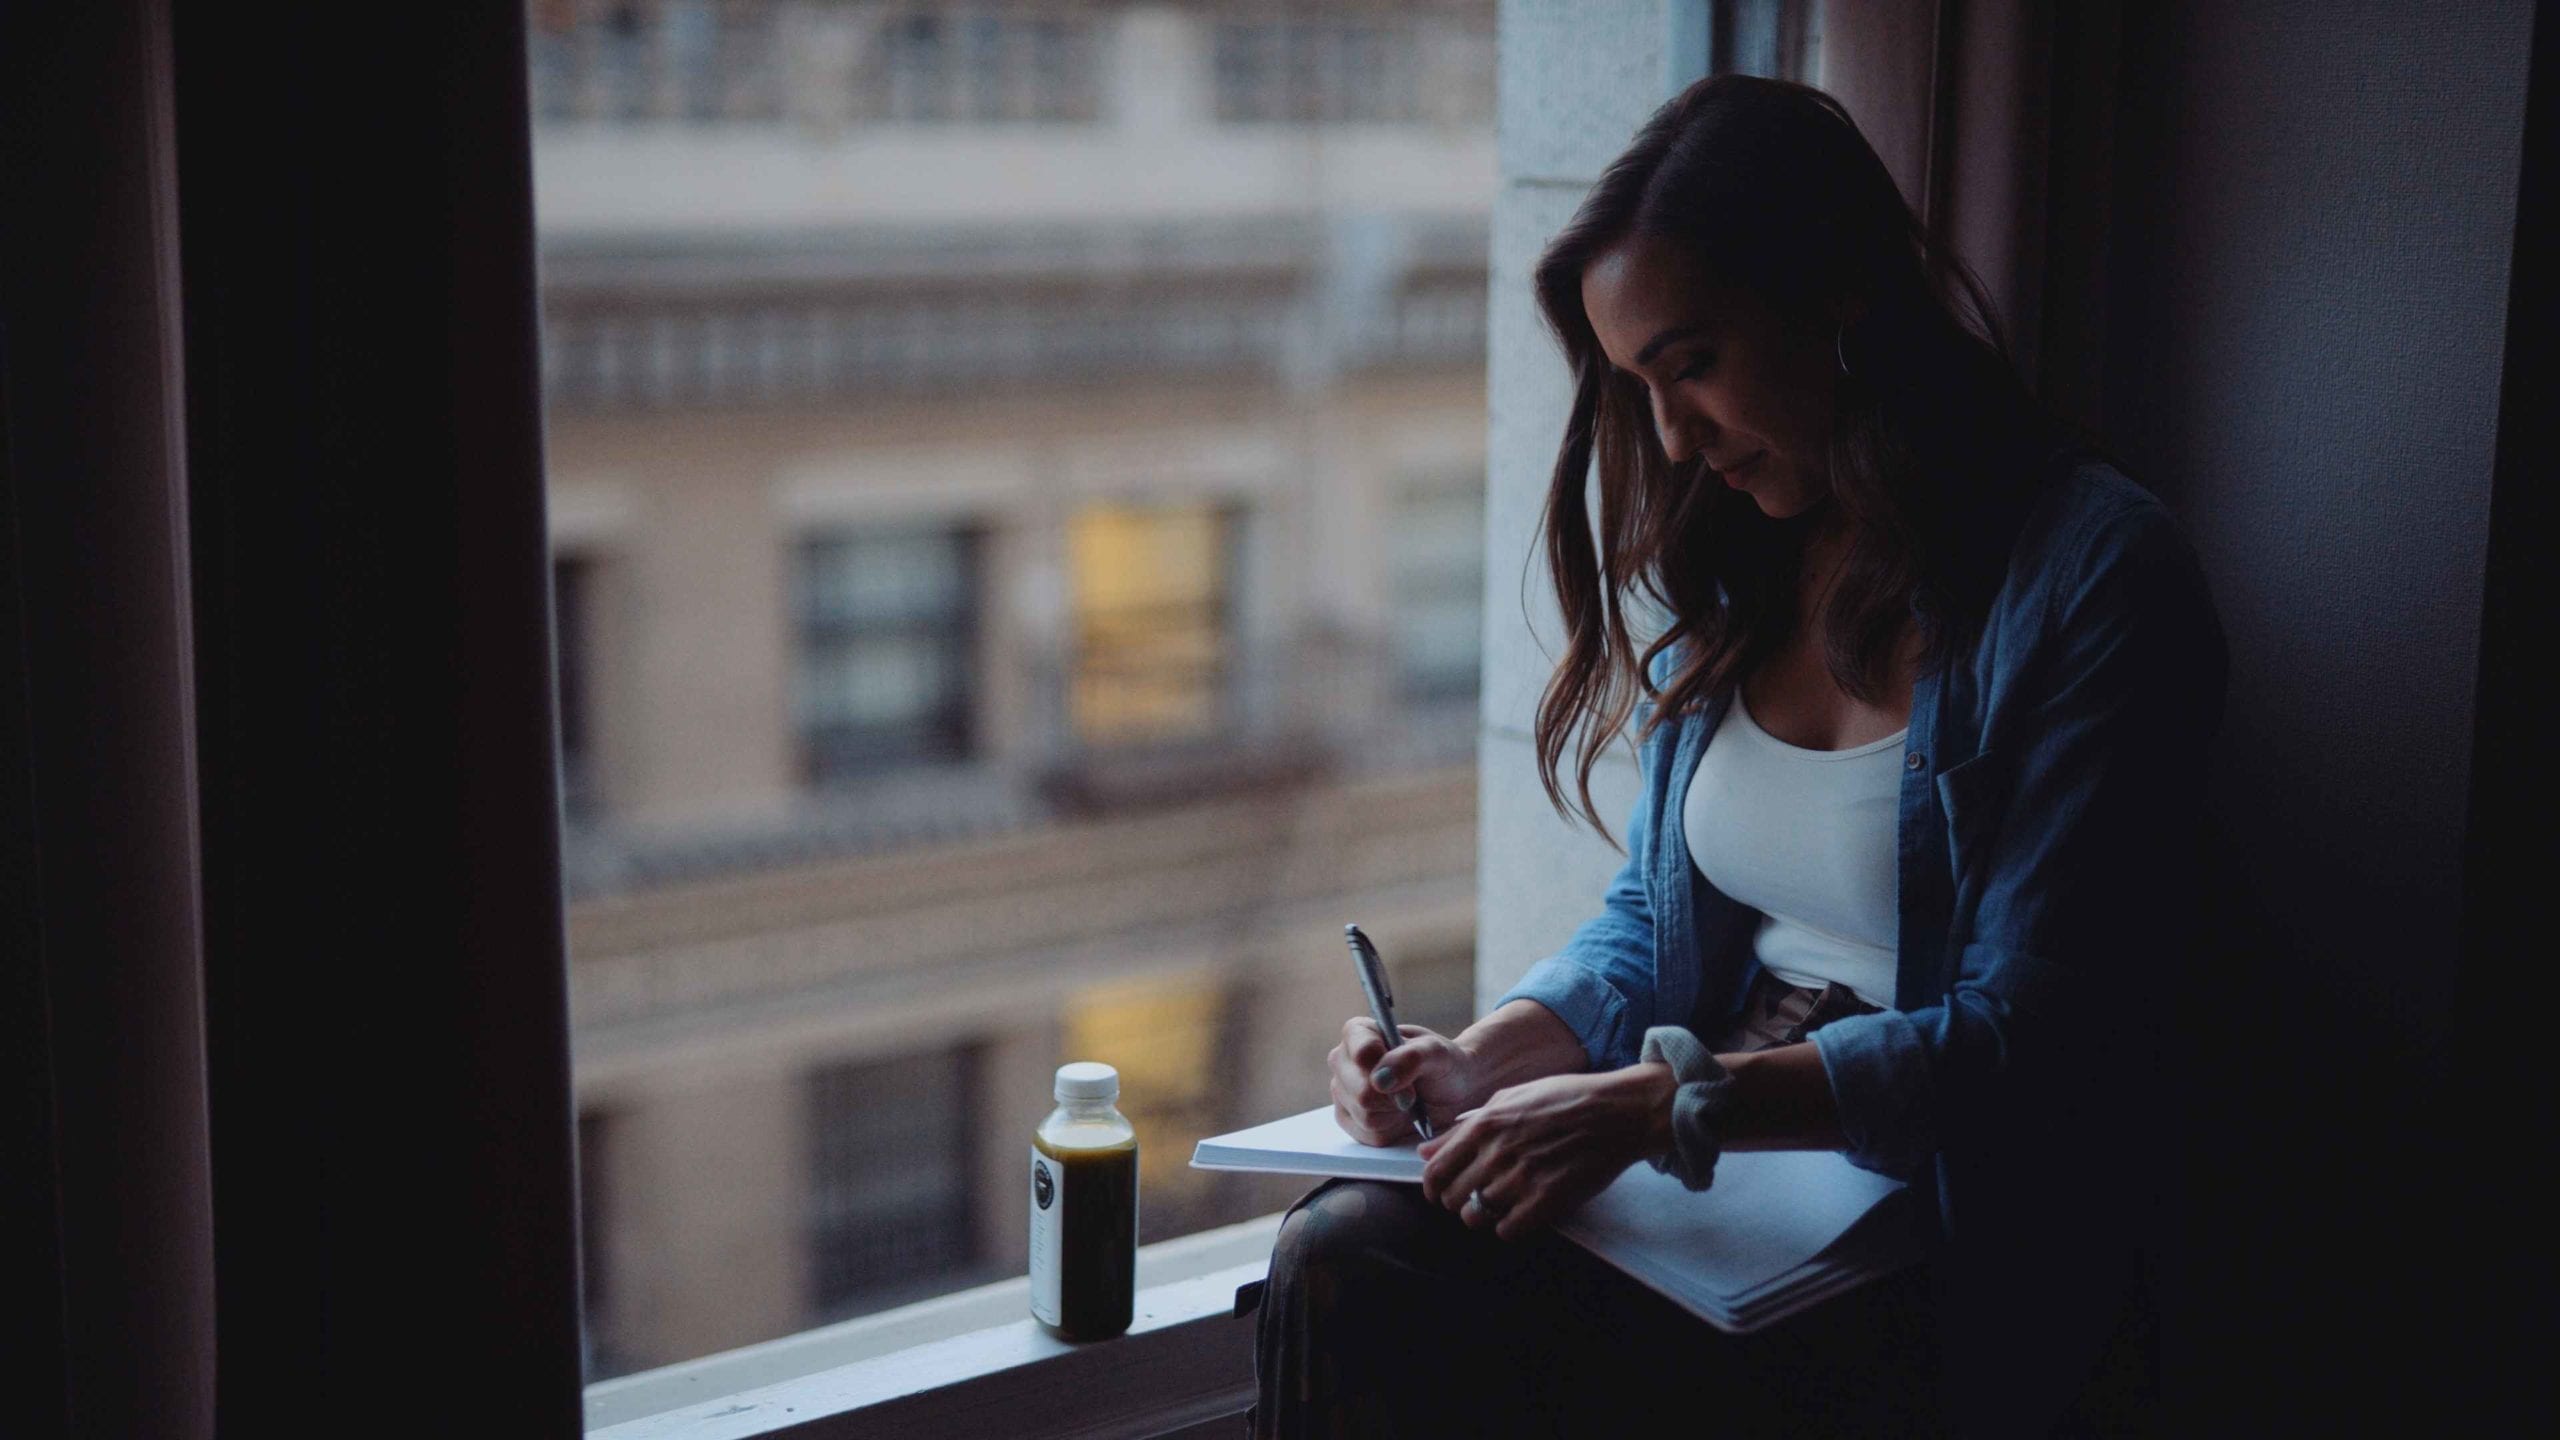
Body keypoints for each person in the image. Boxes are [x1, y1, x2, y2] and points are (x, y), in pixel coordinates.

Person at [1247, 73, 2227, 1439]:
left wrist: (1664, 1106)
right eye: (1641, 386)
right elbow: (1662, 917)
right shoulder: (1750, 560)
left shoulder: (2093, 578)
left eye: (1692, 364)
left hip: (1937, 1252)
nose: (1672, 442)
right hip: (1721, 1203)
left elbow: (2037, 1045)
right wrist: (1483, 1060)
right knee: (1340, 1251)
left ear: (1837, 302)